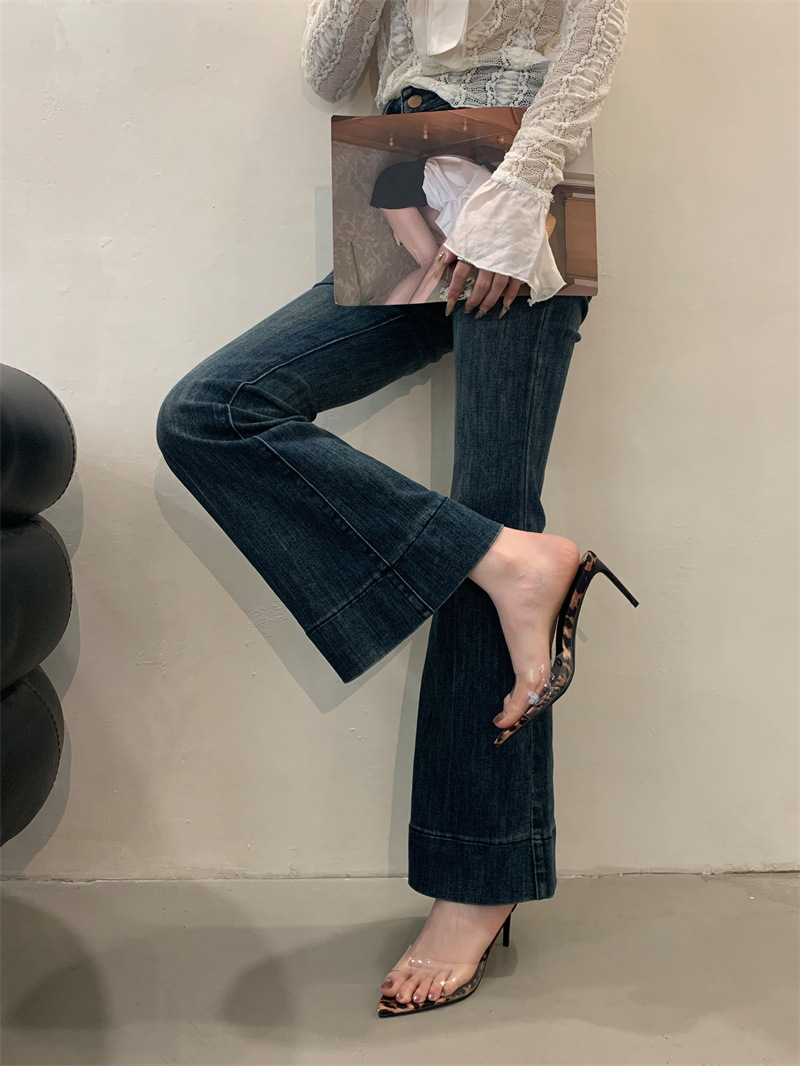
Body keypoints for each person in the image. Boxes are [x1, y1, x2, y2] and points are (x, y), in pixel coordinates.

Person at [155, 0, 630, 1018]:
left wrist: (518, 195)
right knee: (214, 412)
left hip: (518, 183)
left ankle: (478, 880)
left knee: (492, 501)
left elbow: (592, 41)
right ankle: (513, 561)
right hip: (396, 177)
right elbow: (331, 69)